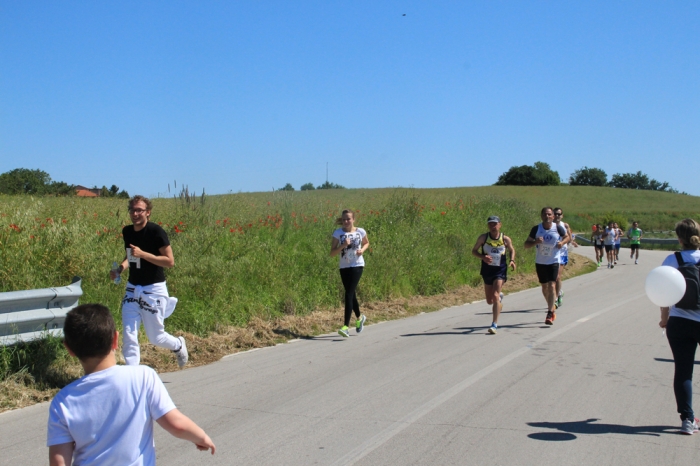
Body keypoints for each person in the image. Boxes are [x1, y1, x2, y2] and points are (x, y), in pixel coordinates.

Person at [47, 304, 215, 465]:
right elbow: (176, 424)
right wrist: (201, 437)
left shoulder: (62, 401)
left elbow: (59, 462)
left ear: (69, 349)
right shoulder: (143, 377)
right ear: (115, 339)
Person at [110, 195, 188, 368]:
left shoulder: (156, 232)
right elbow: (131, 256)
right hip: (132, 288)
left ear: (148, 212)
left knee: (156, 337)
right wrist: (120, 269)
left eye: (139, 210)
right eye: (132, 210)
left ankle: (178, 345)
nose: (135, 213)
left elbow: (170, 261)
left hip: (154, 289)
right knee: (129, 333)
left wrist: (143, 254)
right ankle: (133, 373)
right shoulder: (128, 231)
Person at [658, 219, 700, 434]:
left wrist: (664, 318)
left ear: (679, 239)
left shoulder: (672, 259)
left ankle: (687, 420)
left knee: (683, 372)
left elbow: (663, 294)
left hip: (680, 321)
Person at [471, 215, 516, 334]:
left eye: (495, 224)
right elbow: (473, 251)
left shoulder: (505, 239)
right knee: (489, 301)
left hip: (500, 270)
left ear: (500, 225)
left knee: (495, 295)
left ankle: (494, 324)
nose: (492, 226)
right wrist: (483, 257)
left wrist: (512, 261)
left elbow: (512, 250)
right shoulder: (483, 238)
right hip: (487, 270)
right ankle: (499, 300)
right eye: (490, 224)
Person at [524, 207, 568, 325]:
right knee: (544, 287)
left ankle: (549, 312)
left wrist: (562, 243)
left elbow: (567, 237)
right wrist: (535, 242)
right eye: (545, 214)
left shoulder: (557, 228)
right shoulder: (536, 229)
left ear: (553, 216)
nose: (547, 216)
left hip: (554, 260)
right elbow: (526, 245)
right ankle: (551, 305)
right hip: (540, 261)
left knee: (552, 285)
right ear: (541, 216)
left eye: (549, 214)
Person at [330, 209, 369, 338]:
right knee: (351, 295)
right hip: (344, 266)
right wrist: (343, 245)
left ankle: (345, 326)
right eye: (344, 219)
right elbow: (332, 253)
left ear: (353, 219)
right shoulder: (338, 233)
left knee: (348, 294)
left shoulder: (360, 231)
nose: (346, 221)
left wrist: (362, 250)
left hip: (357, 265)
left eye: (348, 219)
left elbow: (366, 243)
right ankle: (360, 317)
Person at [553, 208, 572, 308]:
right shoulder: (549, 226)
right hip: (552, 254)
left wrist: (563, 242)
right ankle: (559, 292)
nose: (557, 216)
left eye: (559, 214)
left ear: (562, 215)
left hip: (562, 253)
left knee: (557, 276)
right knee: (552, 278)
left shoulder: (564, 225)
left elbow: (570, 239)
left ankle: (556, 298)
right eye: (555, 214)